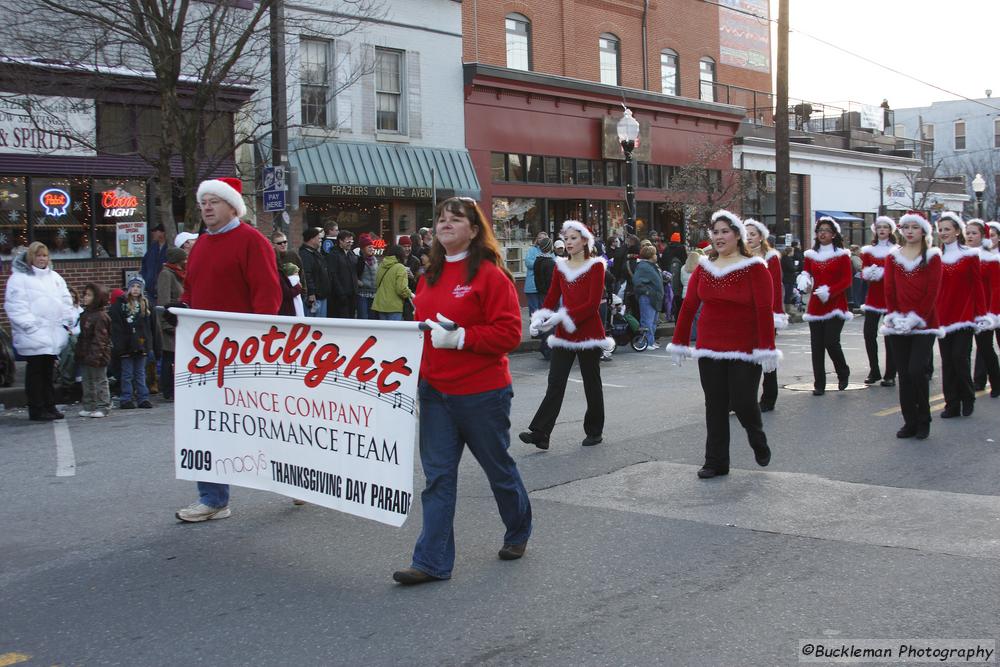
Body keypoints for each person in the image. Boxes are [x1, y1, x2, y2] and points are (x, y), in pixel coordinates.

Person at [392, 197, 530, 585]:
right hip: (435, 394)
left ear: (474, 229)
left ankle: (518, 530)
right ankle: (431, 562)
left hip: (482, 394)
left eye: (456, 219)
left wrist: (461, 338)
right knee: (438, 478)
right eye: (441, 219)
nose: (445, 224)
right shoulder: (428, 276)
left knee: (497, 468)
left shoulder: (489, 274)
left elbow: (509, 333)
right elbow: (421, 335)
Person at [172, 176, 282, 523]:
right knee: (206, 424)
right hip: (205, 354)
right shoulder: (202, 243)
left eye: (214, 201)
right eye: (203, 201)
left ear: (232, 206)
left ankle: (298, 479)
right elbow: (191, 290)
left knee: (264, 424)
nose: (206, 207)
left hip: (243, 354)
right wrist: (183, 309)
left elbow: (268, 295)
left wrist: (257, 342)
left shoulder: (253, 241)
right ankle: (213, 498)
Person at [666, 210, 779, 479]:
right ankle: (715, 461)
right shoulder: (704, 267)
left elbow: (765, 310)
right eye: (715, 232)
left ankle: (756, 434)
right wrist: (680, 341)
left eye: (724, 231)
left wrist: (767, 348)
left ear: (737, 235)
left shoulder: (755, 268)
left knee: (742, 402)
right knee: (715, 404)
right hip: (710, 345)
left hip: (745, 346)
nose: (719, 237)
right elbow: (689, 305)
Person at [520, 220, 611, 450]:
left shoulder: (596, 266)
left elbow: (591, 306)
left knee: (591, 382)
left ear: (584, 240)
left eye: (573, 238)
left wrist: (561, 317)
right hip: (564, 335)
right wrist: (538, 318)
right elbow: (551, 298)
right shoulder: (560, 266)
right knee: (555, 382)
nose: (568, 242)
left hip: (588, 333)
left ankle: (594, 431)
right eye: (566, 238)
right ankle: (541, 433)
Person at [880, 212, 943, 440]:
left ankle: (924, 419)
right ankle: (910, 421)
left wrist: (916, 317)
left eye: (914, 227)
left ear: (923, 231)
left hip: (924, 323)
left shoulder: (933, 257)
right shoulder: (893, 257)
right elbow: (889, 289)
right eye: (905, 227)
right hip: (897, 323)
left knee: (917, 369)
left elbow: (932, 291)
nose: (909, 231)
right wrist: (895, 316)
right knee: (904, 374)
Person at [4, 242, 76, 421]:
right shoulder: (19, 278)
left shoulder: (55, 277)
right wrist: (31, 326)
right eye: (38, 256)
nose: (42, 259)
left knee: (48, 372)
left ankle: (49, 405)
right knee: (36, 373)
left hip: (52, 333)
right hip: (33, 334)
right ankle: (36, 408)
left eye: (45, 256)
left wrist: (66, 320)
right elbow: (16, 307)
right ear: (31, 257)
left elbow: (66, 300)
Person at [934, 212, 989, 418]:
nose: (943, 233)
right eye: (940, 230)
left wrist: (981, 314)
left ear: (957, 231)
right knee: (947, 361)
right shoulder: (935, 257)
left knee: (959, 357)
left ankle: (968, 396)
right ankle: (952, 404)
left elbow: (977, 286)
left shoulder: (970, 255)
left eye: (947, 229)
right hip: (942, 316)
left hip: (964, 315)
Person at [798, 217, 853, 395]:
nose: (822, 233)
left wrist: (830, 291)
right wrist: (804, 279)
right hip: (816, 305)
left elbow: (847, 280)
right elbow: (806, 271)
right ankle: (819, 383)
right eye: (820, 230)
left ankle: (843, 371)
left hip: (836, 303)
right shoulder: (810, 255)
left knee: (831, 341)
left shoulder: (843, 255)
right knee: (816, 345)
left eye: (826, 230)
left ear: (834, 234)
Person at [744, 219, 786, 412]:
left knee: (766, 355)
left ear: (761, 237)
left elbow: (776, 288)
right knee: (743, 357)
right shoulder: (739, 256)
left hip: (765, 312)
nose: (749, 237)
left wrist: (775, 314)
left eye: (753, 234)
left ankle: (769, 397)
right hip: (744, 314)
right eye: (746, 234)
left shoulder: (771, 258)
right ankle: (741, 398)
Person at [860, 216, 899, 387]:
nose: (882, 230)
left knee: (889, 336)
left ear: (890, 230)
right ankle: (873, 370)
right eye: (879, 227)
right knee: (869, 333)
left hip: (890, 297)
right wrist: (869, 273)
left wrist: (885, 273)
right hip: (873, 297)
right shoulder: (868, 251)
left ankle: (890, 373)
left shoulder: (897, 250)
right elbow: (863, 271)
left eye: (885, 227)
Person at [111, 275, 156, 410]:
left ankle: (143, 397)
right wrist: (120, 345)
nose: (135, 289)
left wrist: (151, 345)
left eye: (138, 287)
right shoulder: (120, 305)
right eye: (133, 286)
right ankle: (126, 398)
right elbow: (117, 328)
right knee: (127, 373)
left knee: (140, 373)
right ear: (128, 288)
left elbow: (151, 327)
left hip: (141, 344)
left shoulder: (146, 305)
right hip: (126, 345)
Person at [967, 219, 1000, 396]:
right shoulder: (962, 256)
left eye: (974, 233)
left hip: (985, 311)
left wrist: (992, 314)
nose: (970, 236)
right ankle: (969, 384)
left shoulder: (991, 260)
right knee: (962, 352)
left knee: (985, 348)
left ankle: (996, 382)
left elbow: (996, 288)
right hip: (965, 310)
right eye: (968, 233)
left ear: (983, 236)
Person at [75, 283, 112, 418]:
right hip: (86, 353)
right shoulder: (85, 314)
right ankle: (89, 405)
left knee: (100, 380)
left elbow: (100, 339)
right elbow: (82, 336)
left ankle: (103, 406)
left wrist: (96, 356)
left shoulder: (101, 316)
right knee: (87, 381)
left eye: (89, 295)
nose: (85, 297)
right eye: (85, 294)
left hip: (98, 355)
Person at [156, 247, 187, 402]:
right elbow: (163, 300)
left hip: (179, 321)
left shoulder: (179, 275)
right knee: (169, 358)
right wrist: (166, 324)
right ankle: (168, 389)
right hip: (170, 322)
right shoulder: (166, 274)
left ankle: (176, 388)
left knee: (177, 357)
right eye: (184, 259)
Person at [632, 244, 664, 350]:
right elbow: (637, 281)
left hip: (654, 297)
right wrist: (646, 292)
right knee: (647, 321)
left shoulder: (651, 266)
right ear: (650, 256)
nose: (656, 256)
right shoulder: (643, 266)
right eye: (655, 254)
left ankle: (651, 340)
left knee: (653, 321)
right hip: (648, 297)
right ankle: (647, 342)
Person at [372, 243, 413, 320]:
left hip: (380, 305)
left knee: (384, 331)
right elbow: (401, 289)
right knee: (394, 331)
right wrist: (410, 294)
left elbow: (377, 283)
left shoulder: (381, 265)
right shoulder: (400, 267)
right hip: (394, 306)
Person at [532, 237, 557, 360]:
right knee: (551, 322)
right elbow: (552, 282)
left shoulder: (538, 261)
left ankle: (545, 346)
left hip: (541, 293)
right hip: (550, 295)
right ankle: (548, 347)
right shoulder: (550, 263)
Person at [298, 227, 330, 318]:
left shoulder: (315, 253)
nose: (320, 240)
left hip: (322, 295)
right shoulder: (305, 254)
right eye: (318, 238)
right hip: (315, 297)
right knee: (315, 325)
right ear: (311, 239)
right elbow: (307, 274)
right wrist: (311, 293)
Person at [327, 230, 358, 318]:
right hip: (340, 295)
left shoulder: (351, 253)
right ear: (340, 241)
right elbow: (333, 274)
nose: (350, 244)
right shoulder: (334, 254)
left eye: (352, 241)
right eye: (348, 241)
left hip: (352, 293)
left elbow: (356, 270)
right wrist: (340, 292)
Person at [140, 223, 168, 305]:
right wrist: (145, 277)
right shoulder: (152, 247)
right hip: (150, 289)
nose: (153, 233)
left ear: (162, 233)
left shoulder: (169, 247)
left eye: (156, 231)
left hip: (163, 288)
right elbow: (144, 263)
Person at [523, 231, 548, 318]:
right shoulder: (532, 250)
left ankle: (542, 331)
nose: (541, 240)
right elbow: (528, 263)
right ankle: (534, 330)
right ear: (537, 240)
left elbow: (553, 264)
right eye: (540, 238)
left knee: (543, 311)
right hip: (532, 286)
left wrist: (539, 264)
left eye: (544, 238)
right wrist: (543, 264)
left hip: (544, 287)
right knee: (534, 312)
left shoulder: (549, 251)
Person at [356, 233, 378, 319]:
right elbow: (354, 275)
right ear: (362, 248)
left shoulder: (375, 259)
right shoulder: (358, 260)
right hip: (362, 294)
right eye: (369, 247)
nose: (372, 249)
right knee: (363, 317)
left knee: (373, 318)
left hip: (374, 293)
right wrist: (359, 283)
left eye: (372, 247)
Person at [780, 246, 798, 312]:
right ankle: (787, 311)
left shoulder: (784, 258)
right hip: (788, 279)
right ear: (790, 252)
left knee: (788, 294)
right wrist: (796, 267)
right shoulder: (787, 259)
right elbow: (791, 268)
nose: (793, 253)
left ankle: (787, 310)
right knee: (788, 294)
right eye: (792, 251)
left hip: (787, 278)